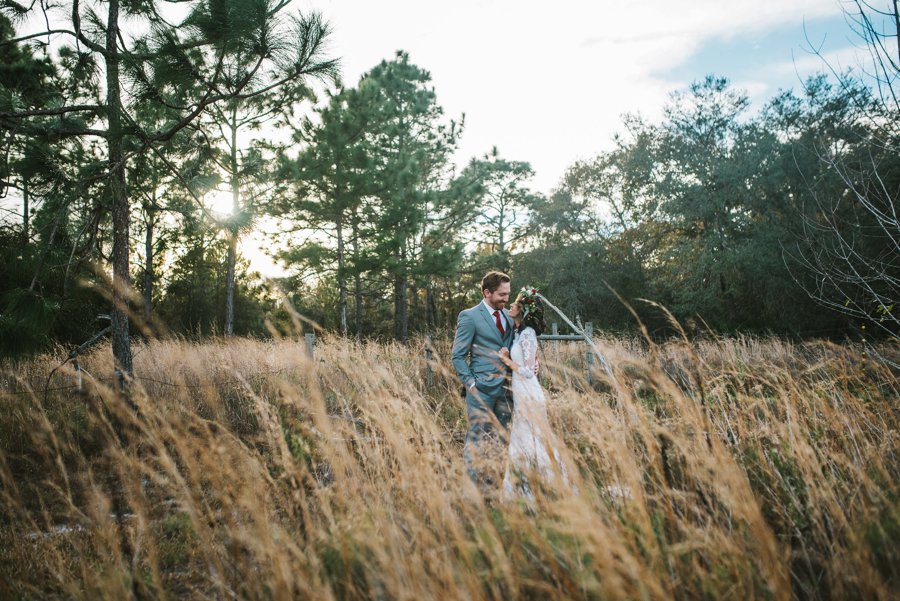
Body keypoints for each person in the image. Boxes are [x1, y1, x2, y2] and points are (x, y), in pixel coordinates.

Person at [498, 286, 573, 500]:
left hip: (530, 393)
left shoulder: (528, 333)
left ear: (523, 310)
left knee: (535, 438)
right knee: (523, 438)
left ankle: (546, 487)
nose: (510, 305)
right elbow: (531, 362)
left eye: (515, 303)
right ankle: (525, 487)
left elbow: (529, 372)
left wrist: (505, 360)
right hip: (521, 394)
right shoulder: (518, 331)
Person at [451, 271, 514, 490]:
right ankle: (470, 487)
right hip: (481, 390)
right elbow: (457, 356)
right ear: (487, 292)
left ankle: (493, 484)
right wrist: (471, 384)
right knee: (477, 439)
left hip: (507, 389)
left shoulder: (508, 316)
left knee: (502, 438)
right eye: (502, 294)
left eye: (508, 294)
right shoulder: (469, 316)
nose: (506, 299)